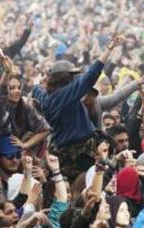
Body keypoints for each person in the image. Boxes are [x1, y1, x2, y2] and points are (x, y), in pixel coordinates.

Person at [32, 34, 125, 182]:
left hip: (61, 153)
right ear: (65, 78)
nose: (75, 78)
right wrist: (109, 49)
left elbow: (36, 90)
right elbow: (91, 75)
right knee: (94, 183)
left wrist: (37, 83)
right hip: (81, 153)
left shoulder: (46, 99)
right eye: (72, 76)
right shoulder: (66, 94)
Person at [0, 55, 50, 166]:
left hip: (12, 157)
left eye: (18, 87)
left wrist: (25, 145)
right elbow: (0, 91)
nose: (17, 91)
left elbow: (45, 129)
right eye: (11, 88)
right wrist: (7, 71)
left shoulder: (25, 108)